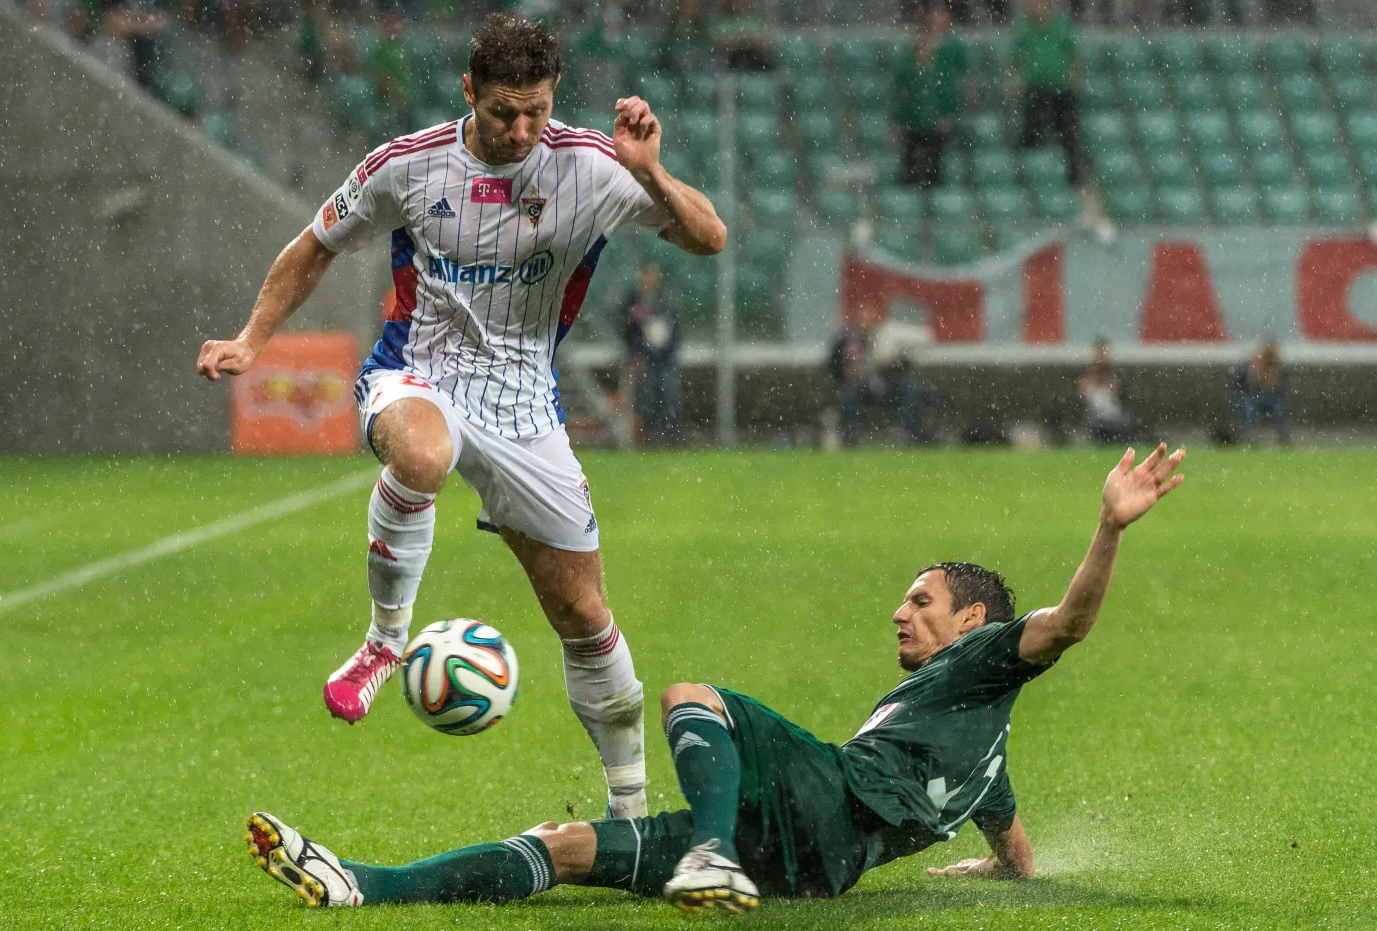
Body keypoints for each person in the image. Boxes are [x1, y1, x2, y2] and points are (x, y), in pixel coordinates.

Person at [243, 444, 1186, 913]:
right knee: (569, 845)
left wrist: (1108, 527)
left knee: (695, 698)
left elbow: (1068, 623)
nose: (901, 612)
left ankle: (710, 851)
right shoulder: (980, 742)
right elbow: (1015, 847)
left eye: (922, 599)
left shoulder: (982, 660)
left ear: (973, 623)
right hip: (815, 868)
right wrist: (1000, 866)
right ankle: (366, 884)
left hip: (821, 803)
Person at [196, 13, 726, 820]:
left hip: (525, 408)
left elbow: (710, 237)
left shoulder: (592, 166)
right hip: (419, 370)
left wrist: (650, 172)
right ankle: (383, 641)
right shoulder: (406, 167)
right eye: (502, 112)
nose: (519, 131)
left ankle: (630, 815)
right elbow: (314, 246)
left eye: (536, 113)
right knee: (421, 455)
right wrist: (250, 339)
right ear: (469, 92)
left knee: (585, 616)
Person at [892, 3, 971, 189]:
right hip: (915, 124)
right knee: (910, 164)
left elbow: (952, 90)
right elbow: (901, 99)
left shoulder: (941, 71)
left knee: (935, 164)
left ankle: (932, 194)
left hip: (934, 125)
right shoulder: (911, 72)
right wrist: (898, 123)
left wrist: (948, 114)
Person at [1010, 0, 1083, 187]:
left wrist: (1073, 78)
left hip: (1061, 89)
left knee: (1068, 134)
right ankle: (1027, 177)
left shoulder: (1062, 25)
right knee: (1030, 134)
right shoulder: (1025, 28)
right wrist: (1013, 82)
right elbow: (1016, 59)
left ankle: (1073, 179)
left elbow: (1073, 55)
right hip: (1035, 90)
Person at [622, 262, 683, 445]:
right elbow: (628, 329)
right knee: (645, 397)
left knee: (669, 396)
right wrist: (635, 352)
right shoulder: (633, 300)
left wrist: (670, 352)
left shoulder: (666, 299)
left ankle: (672, 436)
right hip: (645, 358)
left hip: (664, 357)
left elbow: (675, 328)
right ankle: (649, 436)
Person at [1232, 340, 1291, 445]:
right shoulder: (1255, 362)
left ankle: (1284, 437)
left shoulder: (1276, 366)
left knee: (1280, 411)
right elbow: (1252, 381)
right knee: (1250, 411)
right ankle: (1250, 438)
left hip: (1272, 396)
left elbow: (1277, 385)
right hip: (1255, 394)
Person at [1077, 340, 1136, 445]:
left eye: (1104, 353)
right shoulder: (1087, 377)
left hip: (1114, 416)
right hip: (1094, 415)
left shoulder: (1115, 376)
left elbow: (1119, 393)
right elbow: (1082, 395)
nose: (1101, 358)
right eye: (1099, 353)